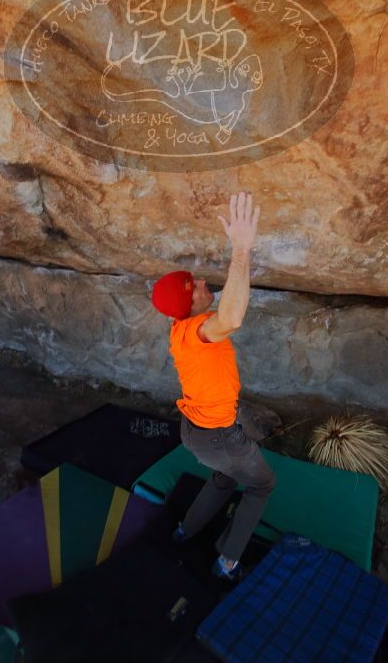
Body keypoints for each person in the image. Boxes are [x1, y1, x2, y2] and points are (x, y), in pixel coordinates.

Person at [151, 191, 276, 583]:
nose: (203, 281)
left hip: (197, 434)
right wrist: (241, 250)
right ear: (190, 306)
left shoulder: (183, 329)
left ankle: (186, 530)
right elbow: (232, 317)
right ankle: (227, 562)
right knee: (261, 484)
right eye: (195, 285)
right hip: (219, 437)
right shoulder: (197, 331)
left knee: (224, 477)